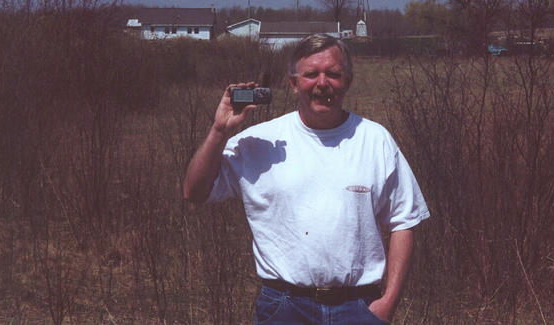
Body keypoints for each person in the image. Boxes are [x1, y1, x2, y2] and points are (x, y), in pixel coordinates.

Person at [184, 33, 430, 324]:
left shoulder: (376, 140)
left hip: (359, 307)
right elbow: (195, 192)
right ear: (294, 83)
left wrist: (388, 302)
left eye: (333, 74)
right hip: (285, 307)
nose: (322, 83)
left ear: (347, 81)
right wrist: (218, 131)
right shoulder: (258, 141)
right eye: (311, 74)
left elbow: (405, 220)